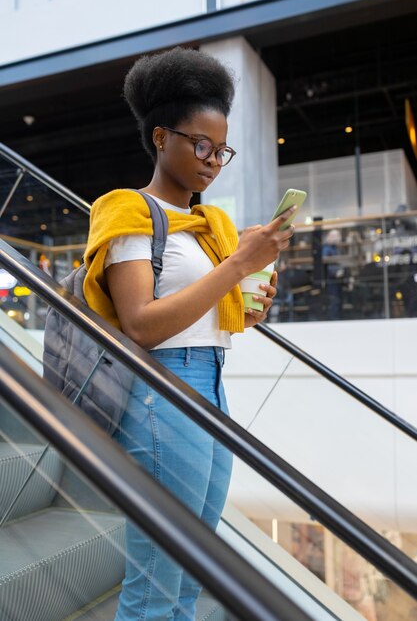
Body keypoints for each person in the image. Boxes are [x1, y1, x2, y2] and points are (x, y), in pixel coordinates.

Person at [83, 47, 295, 621]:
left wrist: (246, 307)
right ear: (160, 137)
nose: (212, 160)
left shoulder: (211, 227)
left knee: (194, 567)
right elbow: (142, 325)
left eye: (220, 149)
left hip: (213, 384)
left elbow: (199, 313)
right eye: (199, 144)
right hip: (161, 390)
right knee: (158, 575)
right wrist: (236, 267)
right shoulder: (129, 212)